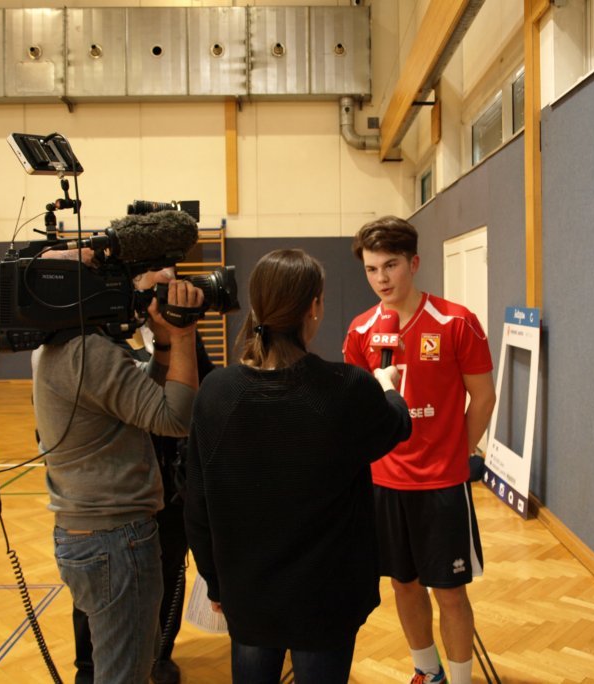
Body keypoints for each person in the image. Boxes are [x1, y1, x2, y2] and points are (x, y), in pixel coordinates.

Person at [183, 248, 412, 684]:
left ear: (256, 308)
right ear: (314, 306)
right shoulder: (348, 389)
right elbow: (396, 426)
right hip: (327, 599)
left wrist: (214, 581)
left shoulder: (215, 392)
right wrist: (388, 387)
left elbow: (197, 503)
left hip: (248, 595)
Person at [32, 259, 203, 684]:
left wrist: (165, 345)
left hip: (91, 532)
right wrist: (184, 334)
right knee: (123, 674)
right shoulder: (90, 353)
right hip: (115, 539)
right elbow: (176, 418)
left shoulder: (61, 346)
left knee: (123, 667)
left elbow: (137, 401)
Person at [343, 216, 496, 684]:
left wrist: (455, 455)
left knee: (449, 592)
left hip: (442, 486)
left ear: (414, 263)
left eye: (390, 265)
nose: (382, 279)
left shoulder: (456, 322)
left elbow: (483, 398)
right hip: (386, 483)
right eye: (371, 269)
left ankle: (461, 680)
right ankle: (428, 673)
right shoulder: (361, 330)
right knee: (403, 585)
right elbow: (360, 411)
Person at [71, 300, 215, 684]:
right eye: (154, 281)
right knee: (100, 589)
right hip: (115, 493)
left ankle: (160, 654)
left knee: (169, 571)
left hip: (169, 483)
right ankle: (88, 667)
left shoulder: (183, 333)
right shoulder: (102, 342)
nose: (165, 288)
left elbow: (202, 390)